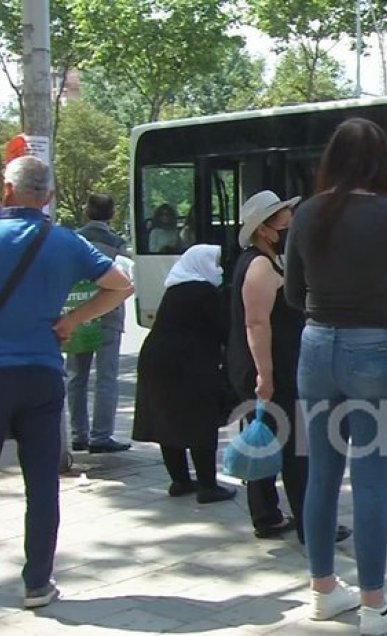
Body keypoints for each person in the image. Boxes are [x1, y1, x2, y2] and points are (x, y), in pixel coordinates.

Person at [285, 117, 387, 635]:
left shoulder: (306, 214)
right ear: (380, 161)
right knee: (370, 479)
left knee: (321, 473)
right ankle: (374, 604)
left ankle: (323, 591)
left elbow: (290, 295)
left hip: (316, 345)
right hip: (372, 349)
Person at [0, 156, 132, 608]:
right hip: (41, 374)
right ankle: (38, 582)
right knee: (41, 485)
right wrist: (71, 320)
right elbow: (119, 285)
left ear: (6, 190)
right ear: (50, 198)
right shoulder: (64, 241)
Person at [228, 190, 350, 544]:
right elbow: (257, 323)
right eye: (282, 216)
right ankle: (312, 524)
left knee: (265, 441)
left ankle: (268, 516)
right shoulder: (260, 265)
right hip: (273, 370)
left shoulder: (265, 260)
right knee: (297, 448)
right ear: (264, 229)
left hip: (272, 368)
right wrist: (264, 375)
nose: (290, 221)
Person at [133, 244, 236, 504]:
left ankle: (179, 480)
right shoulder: (203, 292)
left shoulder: (176, 288)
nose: (220, 269)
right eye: (215, 263)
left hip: (156, 360)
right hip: (189, 365)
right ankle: (207, 486)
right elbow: (224, 328)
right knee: (201, 420)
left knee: (167, 418)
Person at [66, 193, 132, 453]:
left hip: (77, 315)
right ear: (112, 213)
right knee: (107, 378)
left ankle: (77, 434)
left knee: (76, 377)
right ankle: (101, 436)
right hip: (109, 316)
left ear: (86, 211)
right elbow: (126, 280)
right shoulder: (117, 243)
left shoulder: (73, 241)